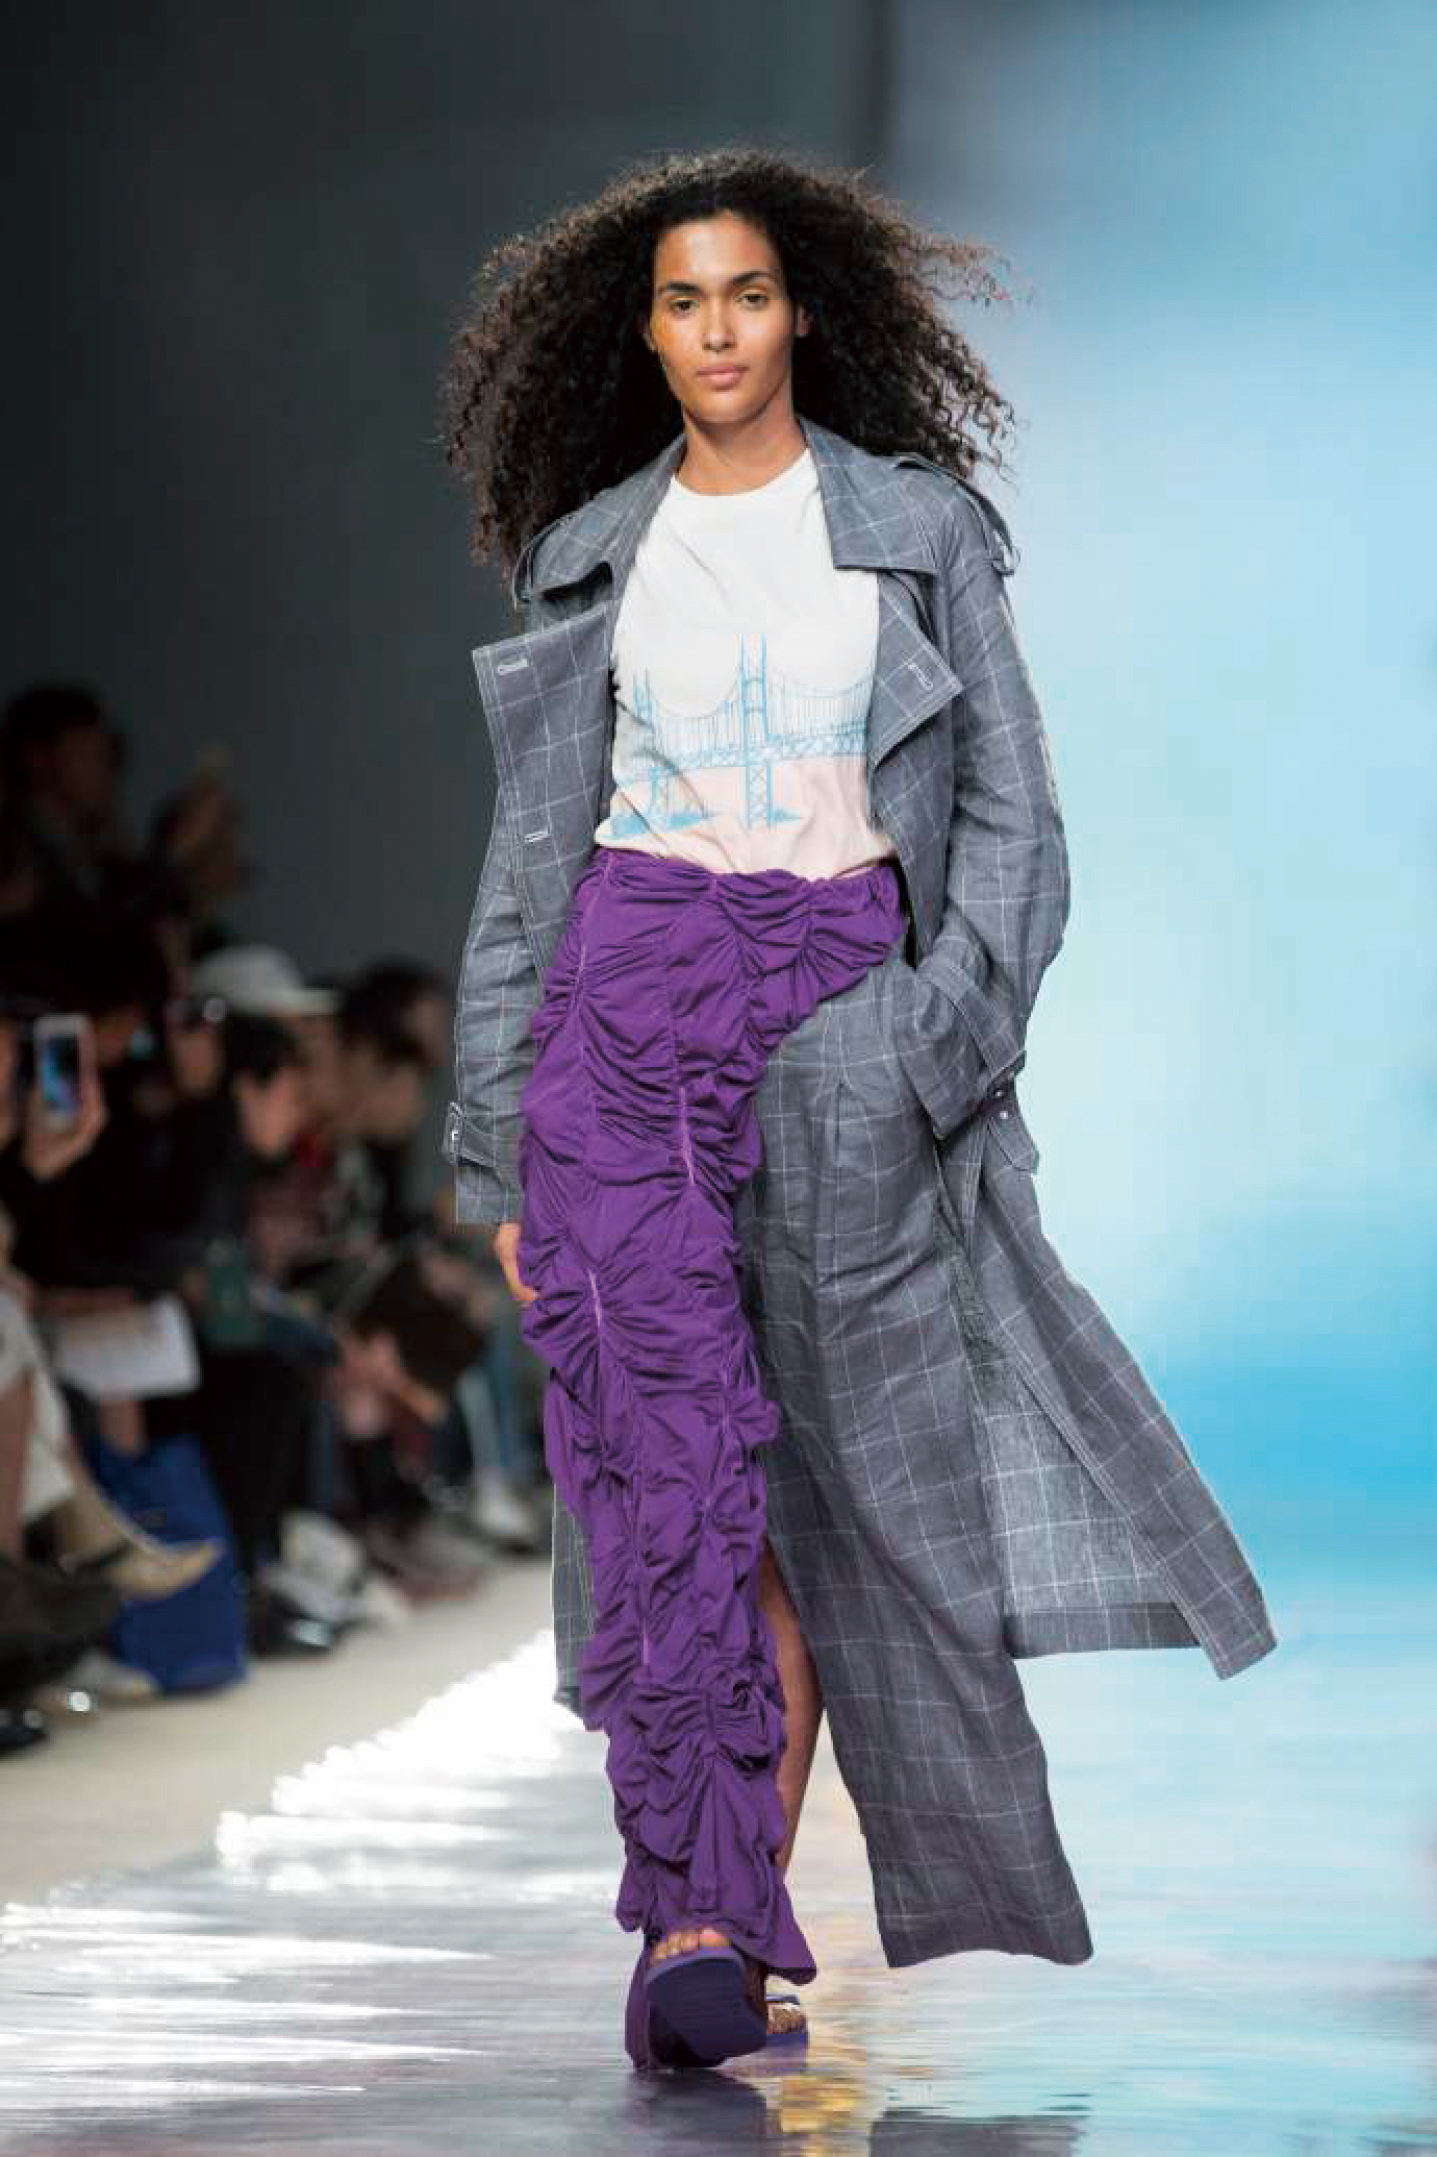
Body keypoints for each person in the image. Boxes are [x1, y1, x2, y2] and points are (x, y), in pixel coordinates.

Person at [438, 145, 1277, 2072]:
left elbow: (1013, 817)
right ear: (642, 335)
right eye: (682, 302)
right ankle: (700, 1917)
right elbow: (528, 869)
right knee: (668, 1487)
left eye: (745, 294)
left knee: (831, 1501)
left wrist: (930, 1039)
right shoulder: (596, 552)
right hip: (621, 1021)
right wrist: (499, 1137)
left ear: (800, 310)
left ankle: (736, 1907)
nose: (717, 329)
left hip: (838, 1017)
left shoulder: (911, 530)